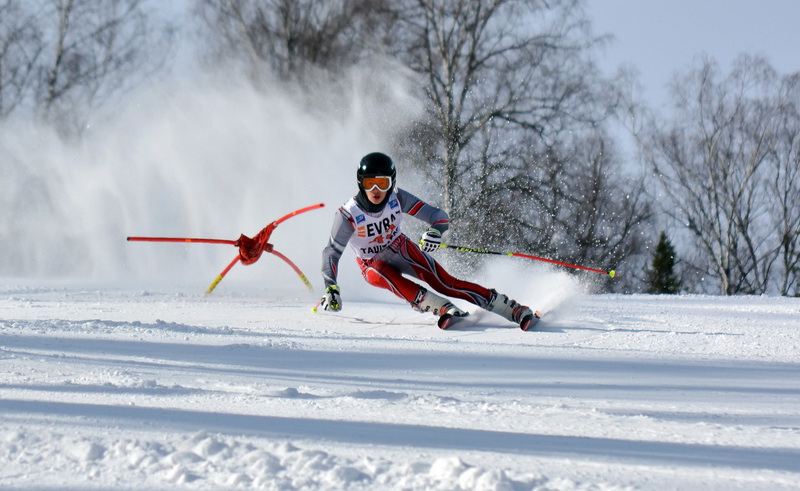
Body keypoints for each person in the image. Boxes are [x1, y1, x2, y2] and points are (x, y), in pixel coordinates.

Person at [319, 152, 539, 330]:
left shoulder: (397, 197)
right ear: (360, 183)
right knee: (384, 273)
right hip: (371, 262)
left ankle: (513, 310)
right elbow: (331, 252)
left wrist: (435, 231)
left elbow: (437, 215)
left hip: (400, 247)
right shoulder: (348, 214)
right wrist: (331, 287)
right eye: (369, 183)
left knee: (445, 283)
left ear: (391, 182)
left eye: (382, 183)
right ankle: (443, 308)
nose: (376, 191)